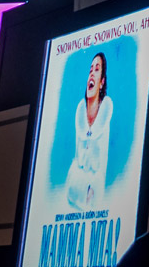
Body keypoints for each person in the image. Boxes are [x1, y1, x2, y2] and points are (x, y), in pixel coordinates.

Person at [65, 51, 113, 209]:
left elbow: (94, 134)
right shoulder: (80, 109)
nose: (92, 73)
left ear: (101, 82)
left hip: (94, 193)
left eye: (96, 69)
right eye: (90, 69)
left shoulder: (106, 105)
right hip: (75, 189)